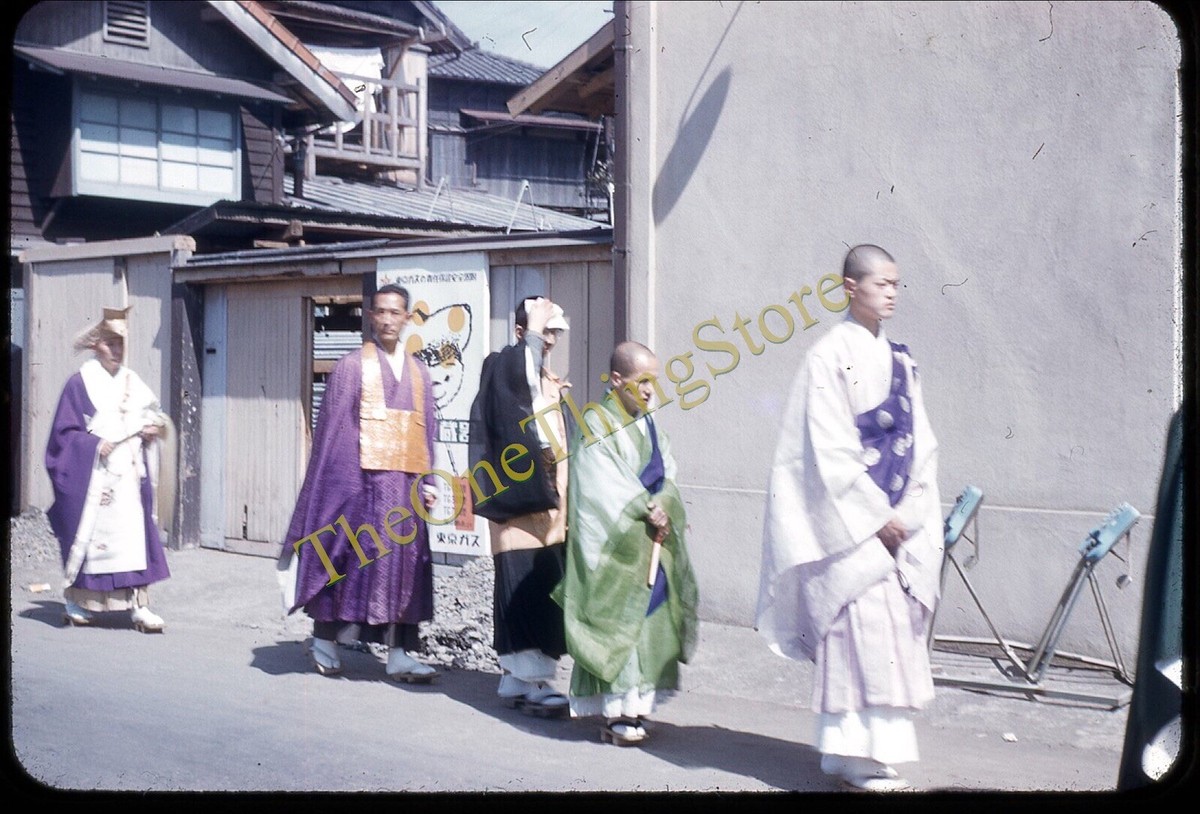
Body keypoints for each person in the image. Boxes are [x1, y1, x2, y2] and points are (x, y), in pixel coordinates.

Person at [756, 245, 943, 791]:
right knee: (859, 634)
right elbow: (826, 450)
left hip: (897, 522)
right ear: (849, 288)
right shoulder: (828, 355)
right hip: (852, 530)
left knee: (889, 637)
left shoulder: (902, 359)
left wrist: (908, 512)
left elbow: (922, 442)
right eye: (881, 283)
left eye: (896, 284)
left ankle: (852, 751)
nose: (891, 293)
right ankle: (855, 754)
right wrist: (874, 516)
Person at [277, 284, 440, 683]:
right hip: (361, 486)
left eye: (395, 313)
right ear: (370, 316)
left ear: (407, 318)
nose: (387, 320)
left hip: (405, 490)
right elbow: (334, 431)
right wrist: (341, 487)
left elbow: (426, 433)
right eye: (380, 312)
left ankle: (399, 653)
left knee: (405, 569)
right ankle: (325, 641)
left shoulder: (419, 372)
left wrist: (428, 481)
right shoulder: (351, 367)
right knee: (345, 557)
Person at [552, 341, 699, 746]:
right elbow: (600, 483)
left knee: (647, 624)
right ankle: (618, 712)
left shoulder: (649, 422)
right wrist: (645, 507)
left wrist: (665, 503)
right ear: (617, 380)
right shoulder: (597, 422)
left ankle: (638, 706)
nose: (650, 390)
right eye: (641, 381)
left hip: (649, 539)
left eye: (654, 381)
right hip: (617, 546)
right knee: (620, 625)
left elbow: (668, 470)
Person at [469, 297, 572, 715]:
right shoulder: (502, 366)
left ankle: (515, 678)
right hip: (518, 496)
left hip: (549, 496)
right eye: (543, 332)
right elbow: (516, 390)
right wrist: (531, 334)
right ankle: (534, 681)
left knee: (543, 582)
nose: (550, 341)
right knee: (523, 583)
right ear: (521, 332)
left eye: (553, 333)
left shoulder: (545, 377)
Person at [45, 306, 171, 633]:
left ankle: (139, 606)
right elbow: (62, 437)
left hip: (129, 476)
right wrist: (93, 445)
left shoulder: (133, 381)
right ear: (95, 345)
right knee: (91, 541)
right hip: (96, 480)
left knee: (135, 540)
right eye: (109, 344)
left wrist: (153, 429)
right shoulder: (79, 384)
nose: (116, 350)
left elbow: (155, 415)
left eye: (120, 344)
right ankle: (77, 602)